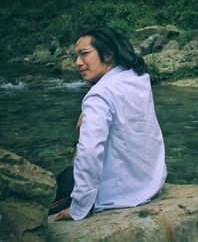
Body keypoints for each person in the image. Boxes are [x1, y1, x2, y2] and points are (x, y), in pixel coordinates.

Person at [50, 27, 167, 221]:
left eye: (84, 54)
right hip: (149, 181)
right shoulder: (137, 78)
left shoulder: (100, 96)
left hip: (118, 193)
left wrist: (79, 208)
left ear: (108, 54)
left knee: (45, 192)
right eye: (76, 56)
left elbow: (89, 153)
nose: (78, 63)